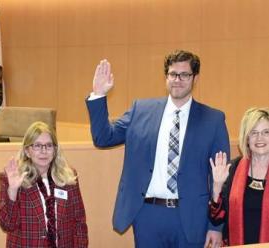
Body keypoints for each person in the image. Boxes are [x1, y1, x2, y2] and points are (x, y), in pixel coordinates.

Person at [85, 50, 230, 248]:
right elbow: (103, 138)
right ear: (166, 76)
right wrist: (99, 95)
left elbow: (220, 178)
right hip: (148, 215)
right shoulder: (141, 110)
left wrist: (216, 226)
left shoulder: (213, 120)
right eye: (172, 74)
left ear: (195, 78)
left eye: (184, 75)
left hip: (191, 217)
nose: (177, 80)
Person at [0, 121, 88, 248]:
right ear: (27, 151)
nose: (44, 151)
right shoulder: (13, 178)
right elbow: (7, 225)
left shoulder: (68, 177)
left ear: (55, 150)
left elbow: (79, 223)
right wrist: (12, 190)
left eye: (49, 145)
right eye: (37, 145)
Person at [210, 107, 269, 246]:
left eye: (266, 132)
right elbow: (216, 218)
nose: (260, 138)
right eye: (254, 133)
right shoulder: (233, 169)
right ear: (247, 138)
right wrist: (217, 185)